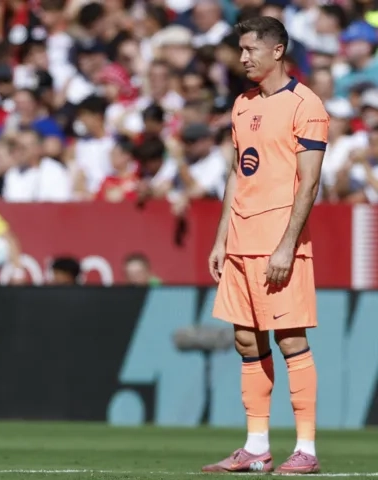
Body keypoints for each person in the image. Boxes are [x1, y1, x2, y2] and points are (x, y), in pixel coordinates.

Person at [204, 16, 328, 475]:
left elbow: (310, 182)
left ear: (277, 51)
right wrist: (221, 239)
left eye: (250, 49)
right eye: (240, 49)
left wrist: (286, 246)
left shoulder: (306, 105)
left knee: (291, 339)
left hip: (279, 242)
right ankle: (256, 447)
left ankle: (307, 450)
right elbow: (238, 174)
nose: (242, 58)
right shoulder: (241, 104)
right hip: (240, 242)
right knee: (244, 339)